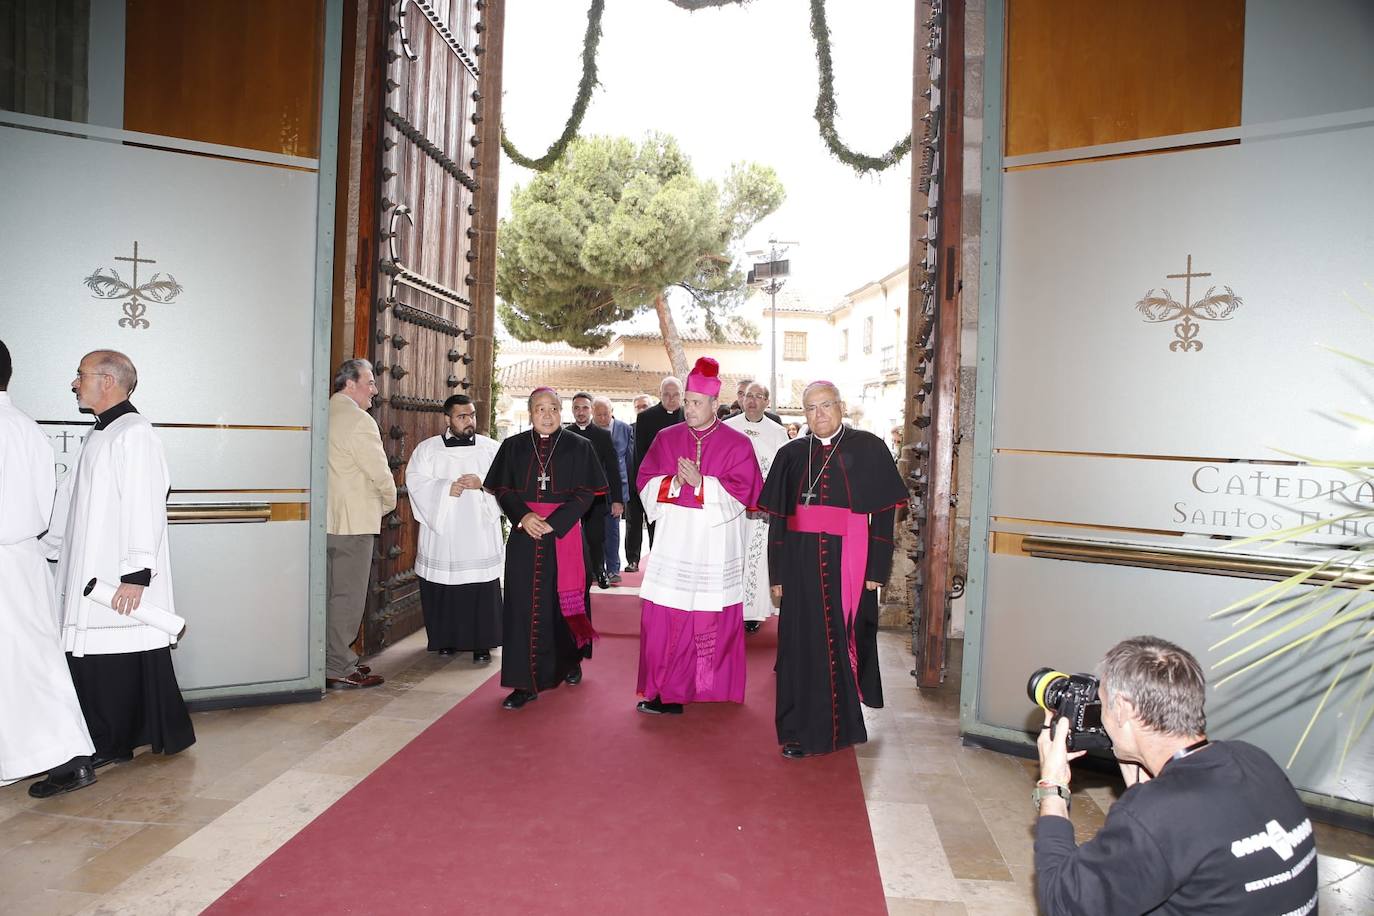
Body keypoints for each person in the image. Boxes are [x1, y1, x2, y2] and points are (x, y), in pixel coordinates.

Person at [1035, 637, 1317, 915]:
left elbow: (1062, 903)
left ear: (1122, 708)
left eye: (1103, 702)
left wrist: (1053, 785)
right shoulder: (1254, 759)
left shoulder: (1157, 815)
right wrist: (1131, 753)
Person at [42, 349, 196, 775]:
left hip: (115, 572)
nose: (75, 383)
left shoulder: (135, 433)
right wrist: (49, 548)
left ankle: (113, 742)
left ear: (107, 381)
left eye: (81, 375)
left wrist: (136, 573)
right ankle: (116, 736)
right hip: (92, 566)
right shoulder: (101, 433)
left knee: (112, 657)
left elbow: (145, 505)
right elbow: (73, 504)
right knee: (107, 657)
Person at [758, 381, 906, 758]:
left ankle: (839, 726)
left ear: (841, 406)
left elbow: (884, 513)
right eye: (811, 408)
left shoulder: (868, 447)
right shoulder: (791, 454)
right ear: (803, 414)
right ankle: (796, 728)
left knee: (840, 638)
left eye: (826, 405)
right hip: (799, 560)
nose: (819, 414)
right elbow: (777, 520)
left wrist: (877, 567)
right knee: (799, 645)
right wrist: (777, 576)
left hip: (849, 559)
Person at [635, 357, 762, 715]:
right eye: (686, 401)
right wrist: (673, 483)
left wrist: (702, 484)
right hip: (675, 542)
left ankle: (707, 686)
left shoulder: (737, 444)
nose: (688, 409)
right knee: (666, 615)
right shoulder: (666, 438)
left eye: (695, 403)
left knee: (707, 616)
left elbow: (747, 493)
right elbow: (644, 481)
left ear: (713, 404)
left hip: (714, 545)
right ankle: (666, 690)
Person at [0, 341, 98, 798]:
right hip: (23, 561)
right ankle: (56, 756)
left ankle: (71, 757)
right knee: (31, 666)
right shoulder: (26, 428)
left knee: (28, 669)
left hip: (8, 560)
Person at [484, 388, 606, 710]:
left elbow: (586, 493)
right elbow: (503, 489)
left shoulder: (580, 447)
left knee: (563, 603)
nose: (547, 414)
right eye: (540, 409)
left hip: (563, 534)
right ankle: (523, 683)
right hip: (526, 534)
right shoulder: (513, 447)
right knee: (522, 607)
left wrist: (556, 521)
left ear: (561, 411)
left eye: (553, 408)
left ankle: (569, 661)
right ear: (530, 412)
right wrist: (523, 516)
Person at [405, 394, 503, 662]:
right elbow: (415, 483)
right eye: (462, 416)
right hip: (443, 531)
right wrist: (446, 487)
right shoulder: (427, 450)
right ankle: (445, 639)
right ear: (447, 419)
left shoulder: (491, 448)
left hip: (479, 531)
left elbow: (507, 483)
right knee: (444, 584)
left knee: (479, 586)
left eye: (471, 415)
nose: (469, 420)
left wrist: (482, 483)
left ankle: (482, 642)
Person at [325, 358, 396, 689]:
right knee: (347, 597)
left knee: (326, 595)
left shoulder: (322, 413)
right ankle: (339, 665)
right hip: (353, 521)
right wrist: (388, 501)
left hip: (324, 522)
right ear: (349, 384)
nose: (374, 390)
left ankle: (324, 659)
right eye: (369, 383)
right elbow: (379, 472)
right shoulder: (359, 421)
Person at [724, 383, 789, 633]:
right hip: (732, 505)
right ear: (741, 399)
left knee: (757, 558)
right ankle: (729, 608)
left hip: (761, 508)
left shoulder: (777, 432)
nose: (752, 401)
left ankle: (751, 613)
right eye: (748, 396)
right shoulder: (728, 427)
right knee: (732, 555)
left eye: (758, 397)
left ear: (767, 402)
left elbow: (784, 471)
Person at [564, 392, 623, 591]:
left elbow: (613, 470)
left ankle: (600, 570)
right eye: (577, 408)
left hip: (595, 496)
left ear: (591, 410)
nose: (580, 412)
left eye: (585, 408)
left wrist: (617, 500)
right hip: (569, 496)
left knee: (596, 537)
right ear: (572, 410)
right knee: (569, 536)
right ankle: (575, 572)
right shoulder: (564, 435)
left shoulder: (603, 435)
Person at [628, 376, 684, 570]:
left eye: (675, 394)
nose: (671, 399)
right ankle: (656, 567)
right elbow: (640, 454)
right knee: (656, 527)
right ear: (660, 395)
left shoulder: (689, 416)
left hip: (683, 483)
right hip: (657, 483)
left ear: (682, 395)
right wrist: (642, 483)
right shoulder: (646, 417)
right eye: (666, 395)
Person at [592, 396, 633, 584]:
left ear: (612, 411)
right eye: (598, 415)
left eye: (605, 414)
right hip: (594, 489)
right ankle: (596, 568)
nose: (602, 419)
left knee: (613, 530)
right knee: (595, 531)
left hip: (617, 488)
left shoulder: (624, 429)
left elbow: (629, 461)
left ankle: (613, 569)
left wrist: (627, 491)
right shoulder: (589, 432)